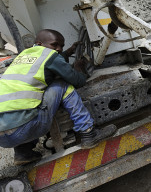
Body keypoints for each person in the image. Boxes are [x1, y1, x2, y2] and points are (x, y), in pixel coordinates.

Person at [0, 29, 116, 165]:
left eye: (62, 46)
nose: (59, 49)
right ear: (39, 43)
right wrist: (78, 69)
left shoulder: (22, 56)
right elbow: (77, 80)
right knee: (62, 84)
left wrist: (69, 52)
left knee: (22, 107)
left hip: (4, 139)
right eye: (55, 45)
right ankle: (88, 132)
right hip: (26, 128)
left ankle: (23, 153)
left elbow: (47, 64)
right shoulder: (51, 56)